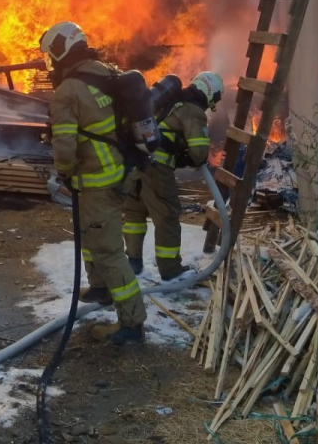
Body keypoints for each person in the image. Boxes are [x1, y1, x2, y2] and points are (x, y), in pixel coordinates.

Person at [39, 20, 147, 345]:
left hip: (97, 180)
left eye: (50, 56)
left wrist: (65, 172)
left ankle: (132, 324)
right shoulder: (104, 71)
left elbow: (64, 146)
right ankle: (101, 288)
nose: (49, 64)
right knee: (91, 234)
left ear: (61, 50)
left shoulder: (67, 91)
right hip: (118, 171)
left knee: (108, 249)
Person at [122, 71, 222, 279]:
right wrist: (187, 158)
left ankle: (132, 261)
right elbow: (200, 152)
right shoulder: (193, 111)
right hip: (156, 170)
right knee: (167, 217)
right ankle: (170, 269)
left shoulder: (167, 102)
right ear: (210, 94)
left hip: (133, 164)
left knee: (134, 213)